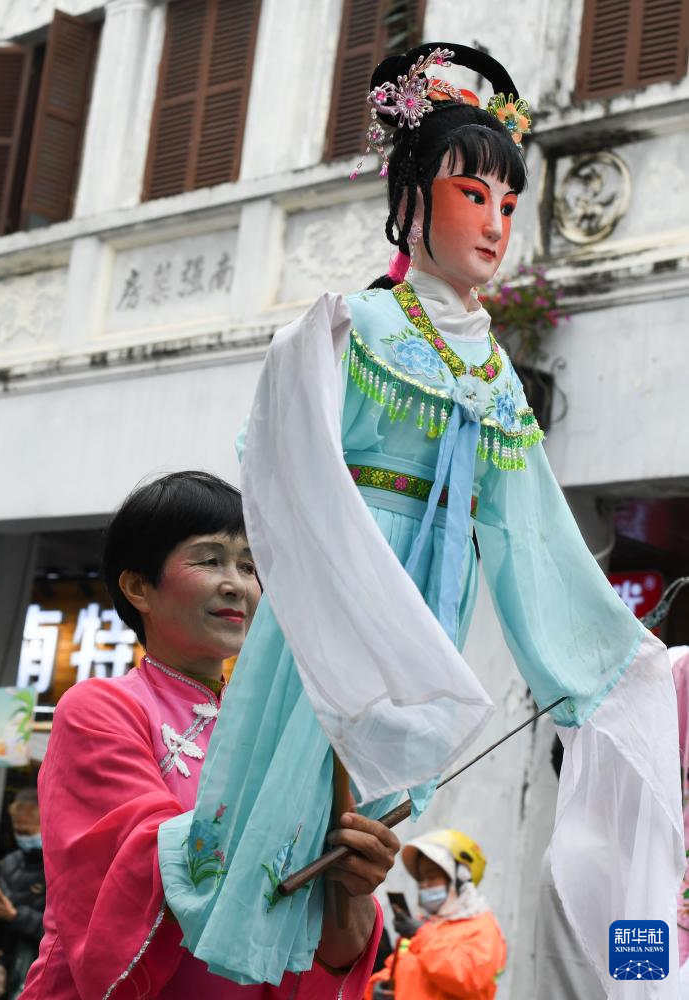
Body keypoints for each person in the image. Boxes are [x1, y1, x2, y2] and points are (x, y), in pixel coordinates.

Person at [158, 43, 682, 994]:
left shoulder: (495, 374)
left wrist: (614, 657)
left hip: (429, 613)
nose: (494, 224)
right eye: (472, 195)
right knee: (292, 800)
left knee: (364, 836)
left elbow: (531, 531)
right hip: (340, 598)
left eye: (508, 205)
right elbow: (282, 470)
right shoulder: (347, 329)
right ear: (409, 198)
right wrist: (355, 603)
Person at [19, 471, 398, 999]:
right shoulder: (100, 709)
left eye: (249, 565)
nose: (237, 584)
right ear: (138, 587)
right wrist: (289, 828)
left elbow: (330, 952)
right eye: (209, 559)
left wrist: (351, 879)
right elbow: (134, 878)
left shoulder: (283, 735)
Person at [367, 829, 505, 999]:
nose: (424, 885)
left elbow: (471, 979)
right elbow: (400, 967)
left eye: (431, 877)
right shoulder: (425, 925)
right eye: (421, 879)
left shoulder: (483, 928)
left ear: (460, 878)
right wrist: (377, 986)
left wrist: (421, 934)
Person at [0, 790, 45, 999]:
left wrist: (15, 916)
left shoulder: (58, 866)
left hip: (34, 967)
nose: (22, 837)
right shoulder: (10, 862)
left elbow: (61, 931)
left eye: (27, 831)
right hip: (1, 965)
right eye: (18, 831)